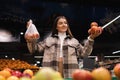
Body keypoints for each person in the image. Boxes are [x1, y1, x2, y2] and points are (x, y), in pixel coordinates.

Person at [25, 16, 102, 78]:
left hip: (70, 73)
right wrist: (30, 39)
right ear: (56, 27)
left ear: (67, 26)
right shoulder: (48, 40)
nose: (64, 24)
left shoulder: (74, 41)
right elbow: (34, 49)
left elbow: (84, 54)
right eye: (60, 23)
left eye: (65, 23)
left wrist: (91, 38)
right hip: (50, 73)